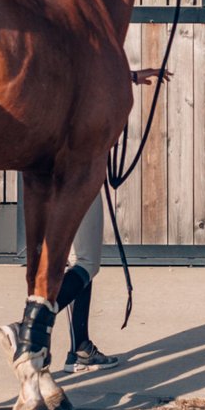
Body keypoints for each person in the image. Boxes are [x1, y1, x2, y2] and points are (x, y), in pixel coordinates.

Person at [58, 65, 169, 373]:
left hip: (55, 174)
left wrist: (131, 76)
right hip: (79, 171)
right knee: (87, 263)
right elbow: (91, 74)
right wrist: (128, 79)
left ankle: (80, 348)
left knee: (77, 263)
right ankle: (30, 323)